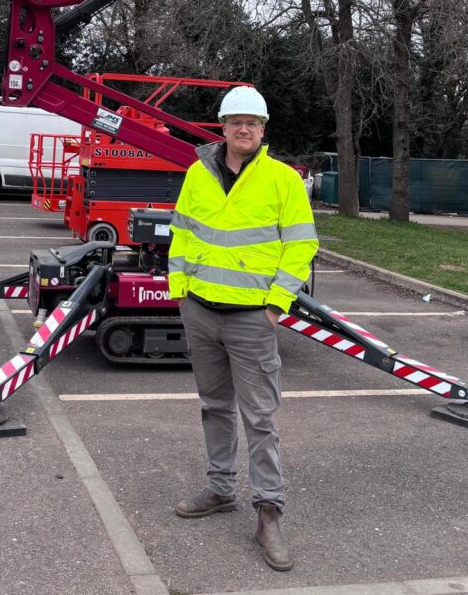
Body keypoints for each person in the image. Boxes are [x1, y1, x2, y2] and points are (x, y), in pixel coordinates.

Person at [169, 85, 318, 572]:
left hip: (253, 317)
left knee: (260, 418)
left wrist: (275, 305)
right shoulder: (198, 173)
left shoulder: (283, 180)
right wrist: (179, 291)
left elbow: (301, 245)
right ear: (223, 126)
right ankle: (219, 489)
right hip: (201, 311)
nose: (244, 128)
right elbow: (181, 232)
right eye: (235, 121)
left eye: (252, 122)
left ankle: (268, 513)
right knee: (214, 406)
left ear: (263, 128)